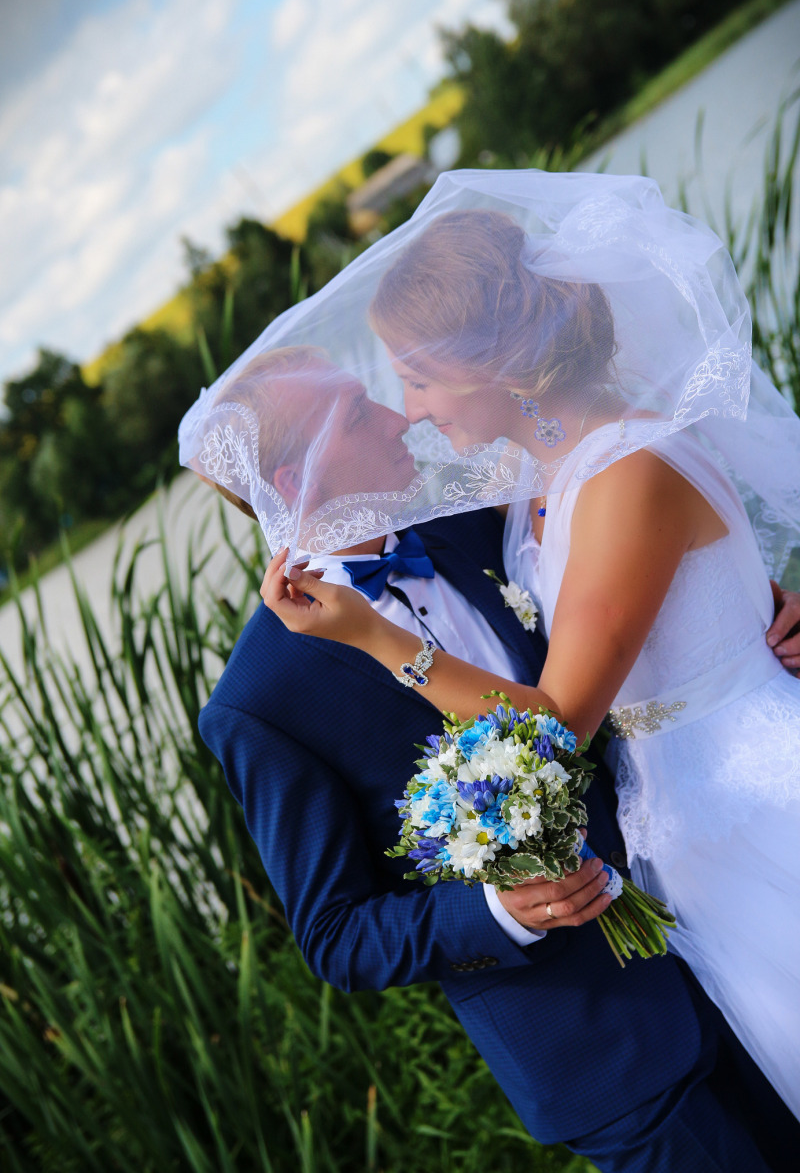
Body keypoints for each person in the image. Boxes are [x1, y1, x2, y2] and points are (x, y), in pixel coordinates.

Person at [258, 180, 800, 1125]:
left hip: (753, 806)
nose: (411, 411)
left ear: (491, 362)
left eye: (415, 377)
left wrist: (377, 639)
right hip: (685, 835)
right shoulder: (538, 486)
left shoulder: (626, 470)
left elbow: (553, 725)